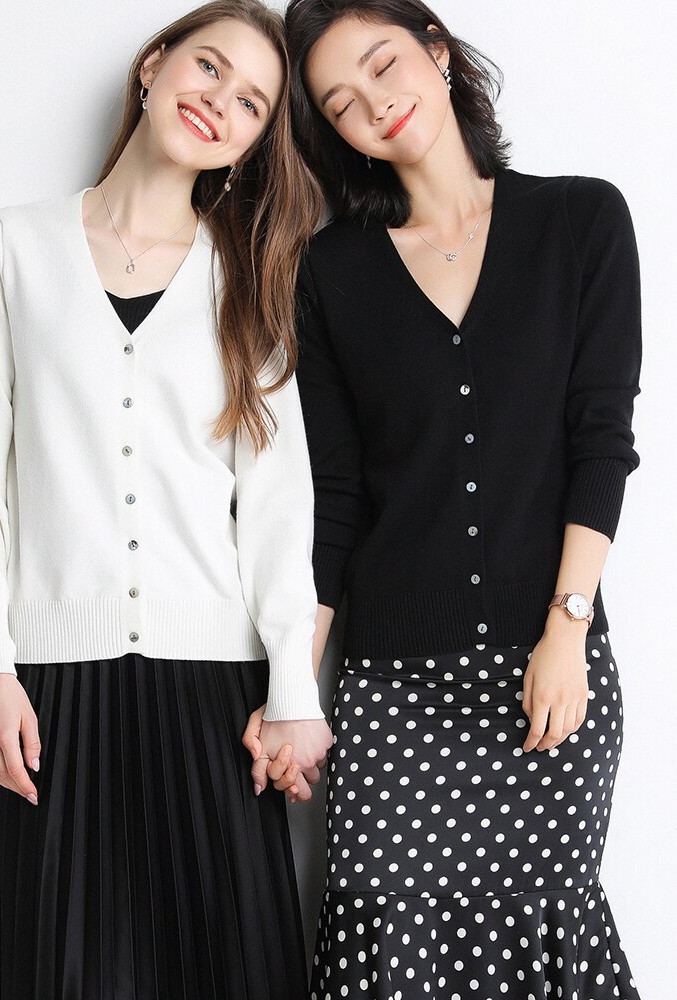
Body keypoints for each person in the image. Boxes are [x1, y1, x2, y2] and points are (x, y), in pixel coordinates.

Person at [0, 3, 332, 997]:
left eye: (251, 102)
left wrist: (293, 692)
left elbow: (277, 507)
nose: (221, 101)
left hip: (216, 694)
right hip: (51, 693)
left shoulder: (250, 278)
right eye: (209, 67)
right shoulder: (11, 247)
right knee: (59, 970)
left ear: (253, 142)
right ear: (155, 65)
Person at [258, 0, 642, 996]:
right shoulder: (330, 270)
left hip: (544, 671)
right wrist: (293, 688)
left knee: (541, 932)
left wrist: (567, 631)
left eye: (382, 64)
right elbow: (336, 500)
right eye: (339, 102)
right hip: (391, 685)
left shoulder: (582, 220)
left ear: (435, 49)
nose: (372, 103)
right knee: (378, 938)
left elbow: (601, 444)